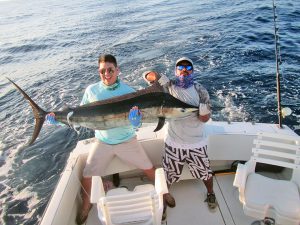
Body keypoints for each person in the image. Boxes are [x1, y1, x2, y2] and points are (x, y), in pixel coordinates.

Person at [46, 54, 156, 225]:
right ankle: (86, 205)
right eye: (102, 71)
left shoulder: (130, 93)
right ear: (99, 72)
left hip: (127, 140)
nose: (106, 73)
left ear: (117, 70)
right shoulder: (91, 91)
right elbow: (76, 115)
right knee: (87, 175)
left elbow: (138, 121)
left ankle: (165, 194)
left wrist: (137, 122)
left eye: (110, 70)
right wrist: (58, 121)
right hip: (103, 142)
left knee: (150, 168)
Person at [143, 57, 218, 210]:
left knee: (205, 173)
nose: (184, 70)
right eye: (180, 67)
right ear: (175, 71)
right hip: (174, 143)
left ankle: (210, 192)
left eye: (188, 68)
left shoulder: (200, 90)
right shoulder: (169, 84)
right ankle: (164, 197)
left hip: (196, 143)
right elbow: (146, 75)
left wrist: (204, 115)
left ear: (193, 71)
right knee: (168, 175)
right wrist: (156, 76)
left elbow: (205, 118)